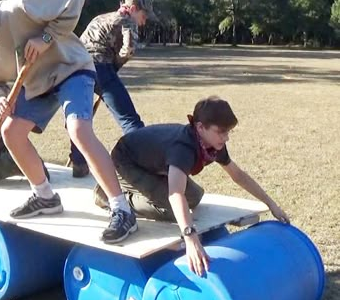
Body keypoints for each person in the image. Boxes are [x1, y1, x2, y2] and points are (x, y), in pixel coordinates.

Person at [0, 0, 137, 244]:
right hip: (38, 85)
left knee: (78, 130)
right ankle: (45, 196)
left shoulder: (18, 7)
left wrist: (46, 38)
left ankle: (122, 210)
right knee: (10, 132)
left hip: (72, 70)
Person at [102, 96, 290, 274]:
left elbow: (238, 175)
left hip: (153, 164)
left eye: (228, 132)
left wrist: (271, 204)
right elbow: (175, 194)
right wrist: (190, 237)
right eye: (221, 132)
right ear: (200, 127)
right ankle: (110, 196)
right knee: (170, 209)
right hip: (125, 161)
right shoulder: (183, 148)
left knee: (194, 196)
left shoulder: (210, 144)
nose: (226, 138)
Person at [68, 0, 157, 178]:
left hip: (77, 68)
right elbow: (129, 49)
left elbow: (81, 41)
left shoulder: (100, 17)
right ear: (133, 9)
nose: (144, 20)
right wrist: (115, 65)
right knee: (129, 119)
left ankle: (79, 163)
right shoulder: (127, 21)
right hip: (101, 68)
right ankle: (148, 162)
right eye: (144, 15)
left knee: (80, 119)